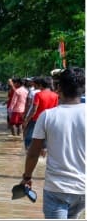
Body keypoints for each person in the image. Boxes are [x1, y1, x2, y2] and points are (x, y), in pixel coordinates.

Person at [19, 67, 85, 219]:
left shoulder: (48, 116)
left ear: (58, 88)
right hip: (83, 190)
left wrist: (27, 177)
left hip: (56, 189)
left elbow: (34, 152)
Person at [24, 76, 59, 150]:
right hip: (50, 120)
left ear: (41, 85)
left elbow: (34, 109)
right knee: (45, 139)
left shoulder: (38, 95)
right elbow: (56, 109)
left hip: (36, 120)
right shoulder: (55, 95)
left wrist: (26, 120)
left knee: (29, 137)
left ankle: (28, 154)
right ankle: (43, 156)